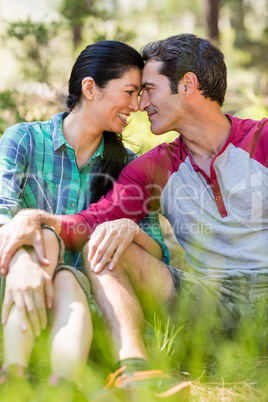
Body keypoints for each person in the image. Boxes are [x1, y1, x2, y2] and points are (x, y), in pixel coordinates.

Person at [5, 31, 268, 390]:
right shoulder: (153, 167)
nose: (141, 104)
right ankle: (137, 374)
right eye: (135, 92)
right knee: (106, 240)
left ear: (187, 84)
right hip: (210, 308)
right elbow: (92, 220)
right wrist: (37, 218)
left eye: (148, 89)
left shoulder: (261, 141)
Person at [0, 39, 171, 389]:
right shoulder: (25, 140)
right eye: (130, 91)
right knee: (43, 236)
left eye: (140, 94)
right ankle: (15, 374)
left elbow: (155, 251)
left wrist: (128, 228)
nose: (137, 105)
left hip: (82, 300)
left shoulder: (127, 166)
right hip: (13, 284)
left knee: (66, 277)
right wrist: (22, 263)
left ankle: (60, 383)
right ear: (90, 88)